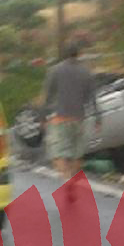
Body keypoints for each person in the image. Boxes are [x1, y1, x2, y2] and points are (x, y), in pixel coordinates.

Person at [41, 41, 99, 179]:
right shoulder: (86, 72)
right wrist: (98, 118)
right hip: (79, 118)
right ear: (79, 54)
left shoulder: (55, 70)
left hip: (60, 118)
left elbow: (48, 96)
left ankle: (65, 177)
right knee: (77, 153)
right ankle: (72, 178)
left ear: (64, 54)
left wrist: (42, 117)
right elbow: (92, 97)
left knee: (59, 152)